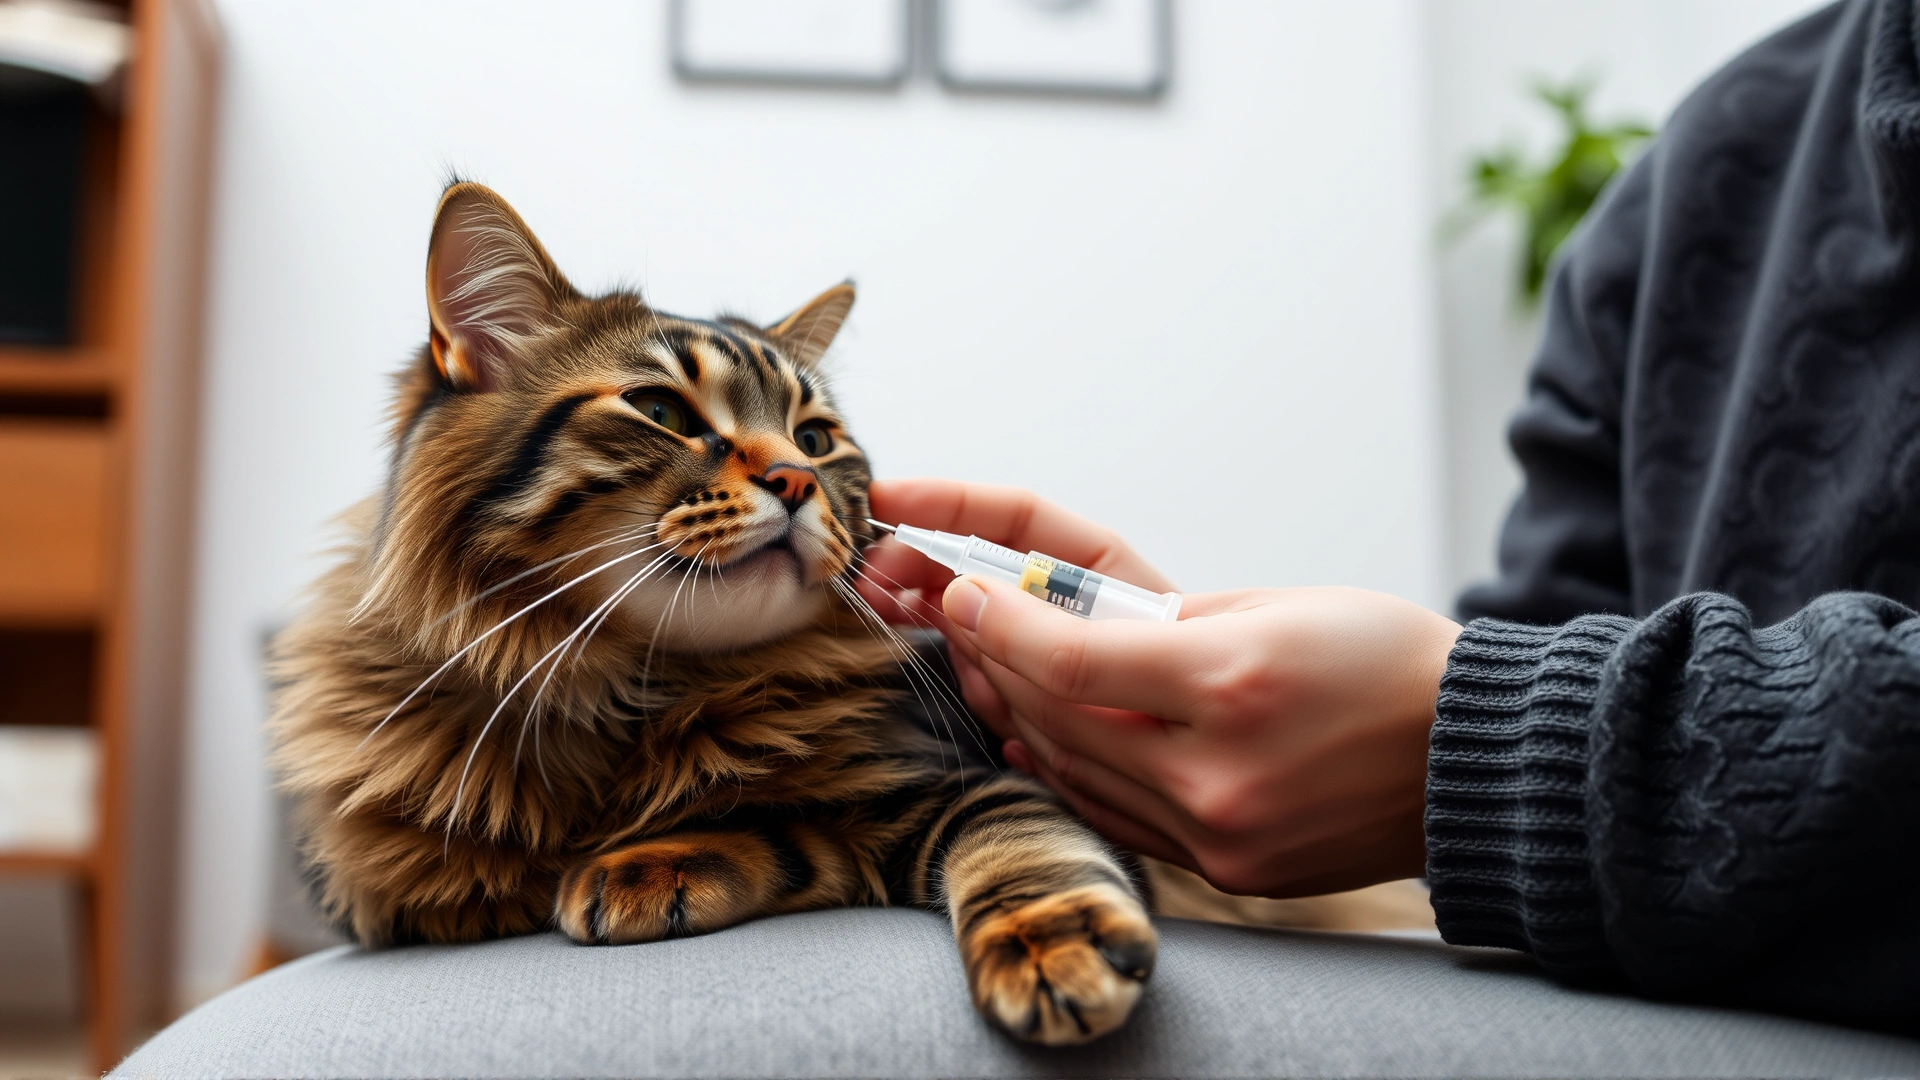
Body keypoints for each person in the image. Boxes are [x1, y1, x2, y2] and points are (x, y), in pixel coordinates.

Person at [856, 0, 1920, 1027]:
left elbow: (1495, 702)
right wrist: (1385, 745)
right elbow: (1547, 638)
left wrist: (1466, 756)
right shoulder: (1691, 184)